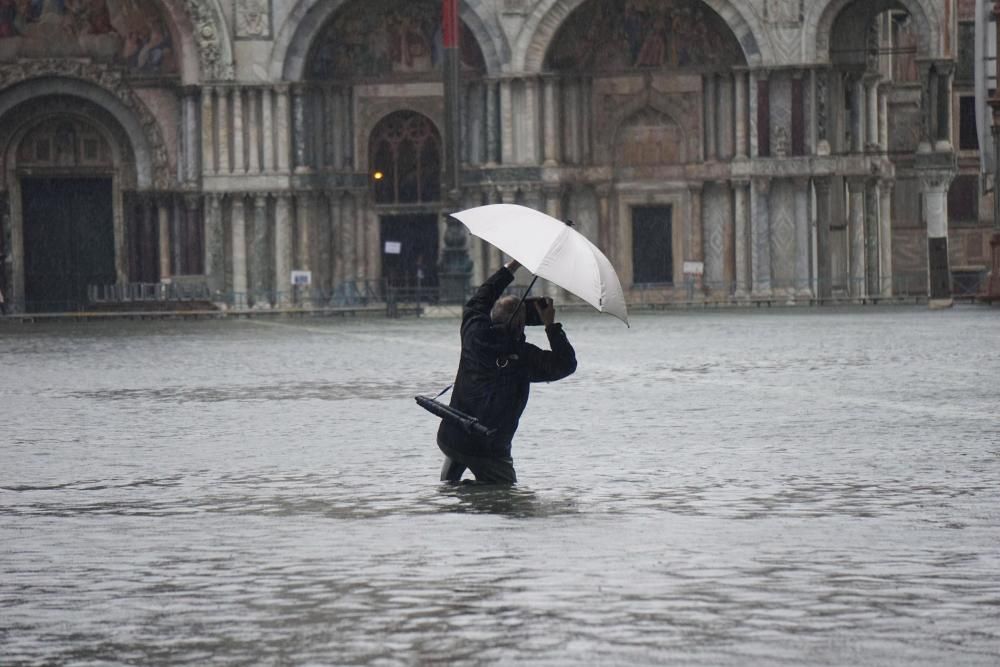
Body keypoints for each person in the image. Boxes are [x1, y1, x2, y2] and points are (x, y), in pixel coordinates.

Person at [437, 259, 577, 484]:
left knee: (452, 481)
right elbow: (566, 364)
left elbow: (482, 297)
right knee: (505, 498)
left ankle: (456, 494)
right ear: (521, 326)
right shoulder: (526, 357)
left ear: (493, 315)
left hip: (452, 436)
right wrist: (551, 325)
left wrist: (512, 266)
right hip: (490, 449)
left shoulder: (474, 333)